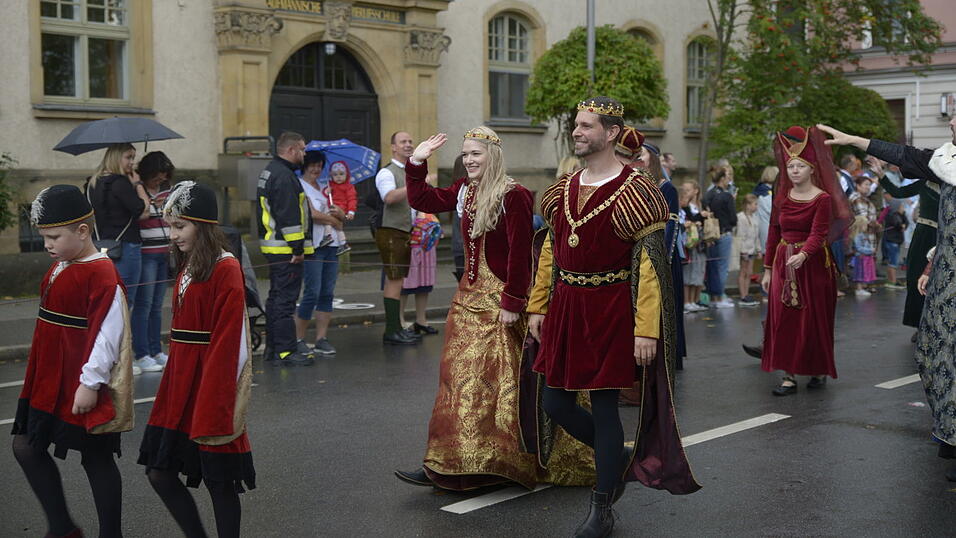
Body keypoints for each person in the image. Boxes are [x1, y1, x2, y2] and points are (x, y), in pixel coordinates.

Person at [529, 97, 700, 537]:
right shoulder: (564, 187)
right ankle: (619, 458)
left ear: (610, 132)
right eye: (576, 125)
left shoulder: (636, 191)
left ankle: (601, 507)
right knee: (554, 401)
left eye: (586, 126)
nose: (577, 132)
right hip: (567, 306)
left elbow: (649, 268)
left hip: (609, 309)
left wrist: (646, 330)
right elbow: (550, 250)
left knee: (605, 407)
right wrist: (538, 305)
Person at [393, 127, 567, 490]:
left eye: (477, 154)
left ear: (493, 156)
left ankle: (496, 462)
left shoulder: (514, 194)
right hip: (467, 298)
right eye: (466, 154)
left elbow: (520, 253)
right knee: (455, 381)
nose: (470, 160)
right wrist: (417, 160)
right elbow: (423, 199)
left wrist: (513, 302)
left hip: (498, 301)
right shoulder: (463, 190)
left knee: (494, 385)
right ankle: (448, 461)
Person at [819, 119, 956, 481]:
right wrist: (853, 138)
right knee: (931, 351)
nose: (953, 121)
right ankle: (950, 428)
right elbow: (903, 156)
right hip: (946, 275)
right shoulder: (944, 160)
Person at [13, 185, 134, 538]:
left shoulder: (102, 273)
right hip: (48, 378)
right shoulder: (63, 263)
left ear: (83, 231)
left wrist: (89, 382)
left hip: (81, 381)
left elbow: (108, 336)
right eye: (45, 237)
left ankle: (111, 534)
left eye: (54, 236)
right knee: (25, 445)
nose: (48, 244)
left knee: (96, 458)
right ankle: (63, 527)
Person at [138, 181, 255, 538]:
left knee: (219, 479)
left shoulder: (225, 267)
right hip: (181, 379)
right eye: (169, 226)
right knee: (159, 471)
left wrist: (216, 400)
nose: (171, 235)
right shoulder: (190, 263)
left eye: (179, 226)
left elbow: (230, 342)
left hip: (210, 384)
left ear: (202, 225)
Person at [761, 125, 850, 396]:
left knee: (813, 320)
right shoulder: (781, 198)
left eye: (800, 166)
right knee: (784, 318)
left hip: (813, 265)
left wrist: (803, 254)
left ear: (812, 169)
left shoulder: (822, 199)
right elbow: (773, 233)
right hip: (783, 263)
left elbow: (819, 233)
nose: (794, 171)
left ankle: (817, 368)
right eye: (790, 167)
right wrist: (766, 270)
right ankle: (788, 375)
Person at [257, 131, 315, 366]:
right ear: (291, 150)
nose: (304, 154)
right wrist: (298, 250)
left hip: (275, 249)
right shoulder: (284, 177)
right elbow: (289, 218)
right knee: (285, 302)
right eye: (302, 149)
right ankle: (285, 352)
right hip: (286, 251)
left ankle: (273, 349)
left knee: (276, 299)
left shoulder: (271, 171)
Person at [632, 139, 687, 369]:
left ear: (652, 158)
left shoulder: (667, 188)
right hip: (640, 255)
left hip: (663, 257)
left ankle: (667, 355)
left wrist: (662, 260)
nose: (638, 160)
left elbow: (671, 229)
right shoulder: (638, 185)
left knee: (665, 305)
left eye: (641, 155)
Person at [872, 158, 938, 339]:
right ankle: (919, 324)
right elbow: (898, 191)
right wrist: (881, 174)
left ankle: (938, 325)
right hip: (923, 235)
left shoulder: (951, 186)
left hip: (943, 236)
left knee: (939, 281)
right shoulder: (925, 182)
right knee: (916, 277)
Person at [85, 143, 151, 307]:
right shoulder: (120, 183)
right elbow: (144, 209)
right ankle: (123, 333)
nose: (132, 163)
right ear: (115, 157)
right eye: (128, 157)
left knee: (105, 299)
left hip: (98, 247)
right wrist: (138, 185)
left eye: (133, 158)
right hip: (126, 247)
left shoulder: (91, 183)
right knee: (125, 300)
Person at [375, 131, 423, 345]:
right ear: (393, 147)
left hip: (404, 230)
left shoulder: (408, 171)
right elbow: (389, 197)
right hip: (391, 230)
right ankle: (391, 330)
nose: (408, 145)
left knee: (399, 279)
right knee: (394, 279)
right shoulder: (387, 172)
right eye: (403, 142)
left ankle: (396, 328)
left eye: (410, 141)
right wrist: (412, 186)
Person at [295, 151, 344, 357]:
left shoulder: (325, 187)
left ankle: (321, 338)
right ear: (304, 166)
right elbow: (311, 214)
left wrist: (338, 213)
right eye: (312, 165)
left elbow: (339, 217)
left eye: (319, 166)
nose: (316, 169)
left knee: (327, 292)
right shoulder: (300, 186)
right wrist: (332, 220)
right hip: (313, 245)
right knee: (312, 292)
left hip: (331, 244)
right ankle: (298, 338)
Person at [131, 151, 175, 375]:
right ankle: (141, 353)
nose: (160, 181)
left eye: (163, 178)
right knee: (143, 305)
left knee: (157, 306)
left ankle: (156, 350)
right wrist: (146, 197)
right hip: (147, 252)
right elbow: (140, 214)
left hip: (164, 252)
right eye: (156, 177)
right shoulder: (138, 190)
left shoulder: (167, 190)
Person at [400, 208, 441, 335]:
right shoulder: (401, 192)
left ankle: (421, 320)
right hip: (407, 242)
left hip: (426, 244)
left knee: (425, 284)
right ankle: (400, 320)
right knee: (404, 284)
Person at [703, 164, 737, 308]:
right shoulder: (727, 195)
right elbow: (733, 218)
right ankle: (720, 296)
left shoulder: (709, 194)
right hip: (723, 233)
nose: (729, 180)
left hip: (710, 234)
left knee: (712, 266)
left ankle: (712, 297)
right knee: (722, 266)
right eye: (727, 177)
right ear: (722, 178)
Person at [681, 180, 707, 312]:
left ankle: (694, 300)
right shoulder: (685, 206)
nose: (685, 193)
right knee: (689, 273)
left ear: (696, 191)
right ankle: (687, 301)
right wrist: (699, 217)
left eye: (688, 190)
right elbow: (689, 219)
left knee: (698, 272)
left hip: (700, 243)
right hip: (690, 242)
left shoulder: (701, 205)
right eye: (684, 190)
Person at [736, 193, 762, 306]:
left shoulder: (755, 218)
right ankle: (742, 296)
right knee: (743, 271)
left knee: (749, 272)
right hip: (744, 250)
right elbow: (740, 236)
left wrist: (759, 250)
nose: (756, 206)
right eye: (755, 204)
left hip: (752, 250)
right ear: (748, 205)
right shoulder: (740, 217)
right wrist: (743, 251)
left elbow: (756, 237)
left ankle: (746, 294)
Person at [327, 161, 357, 255]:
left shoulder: (348, 187)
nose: (338, 177)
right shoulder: (330, 185)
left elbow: (352, 199)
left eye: (341, 174)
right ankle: (343, 243)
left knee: (328, 220)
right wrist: (327, 192)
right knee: (337, 226)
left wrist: (351, 211)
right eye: (335, 175)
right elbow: (327, 196)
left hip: (341, 208)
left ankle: (327, 236)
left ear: (347, 174)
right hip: (332, 206)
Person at [880, 198, 908, 289]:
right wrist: (902, 225)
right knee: (893, 263)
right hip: (892, 241)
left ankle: (892, 280)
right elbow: (898, 225)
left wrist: (903, 214)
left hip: (896, 241)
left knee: (893, 262)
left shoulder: (900, 214)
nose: (902, 208)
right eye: (901, 206)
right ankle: (892, 281)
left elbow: (906, 224)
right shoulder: (893, 215)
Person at [849, 215, 878, 297]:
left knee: (864, 272)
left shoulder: (863, 235)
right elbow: (859, 248)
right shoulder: (857, 236)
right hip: (860, 258)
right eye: (865, 225)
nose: (867, 226)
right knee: (860, 273)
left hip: (865, 257)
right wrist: (870, 250)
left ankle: (862, 288)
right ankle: (859, 289)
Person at [754, 165, 776, 256]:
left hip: (764, 225)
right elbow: (772, 210)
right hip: (765, 226)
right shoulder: (765, 193)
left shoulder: (760, 190)